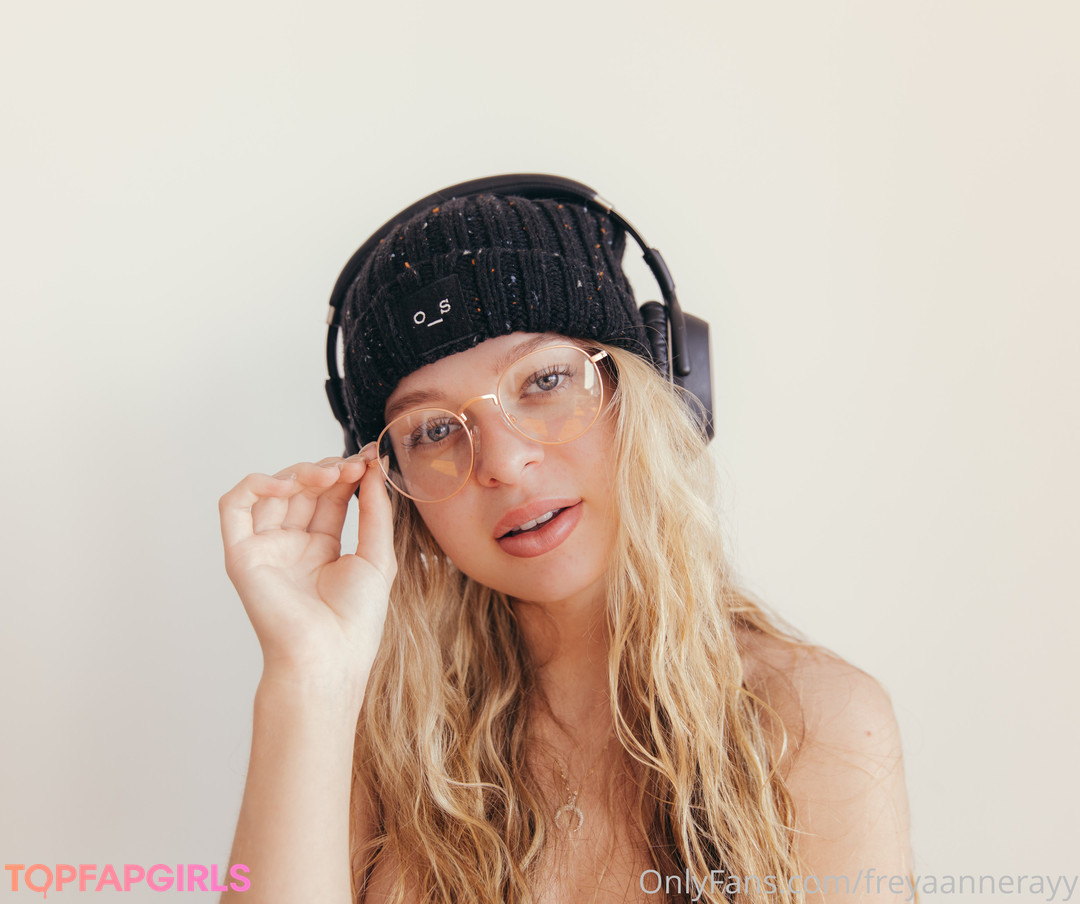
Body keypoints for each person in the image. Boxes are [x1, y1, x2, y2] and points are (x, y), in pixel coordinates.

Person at [218, 182, 913, 903]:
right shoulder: (372, 734)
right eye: (433, 430)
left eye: (545, 380)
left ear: (649, 394)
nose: (502, 462)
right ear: (390, 488)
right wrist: (307, 673)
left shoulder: (816, 721)